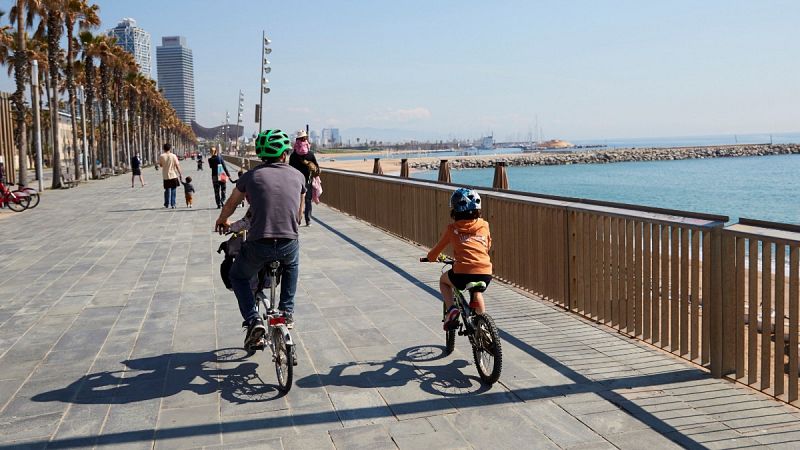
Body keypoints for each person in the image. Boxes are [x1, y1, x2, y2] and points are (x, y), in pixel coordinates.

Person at [215, 129, 306, 349]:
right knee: (292, 265)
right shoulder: (298, 176)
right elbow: (299, 216)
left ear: (261, 155)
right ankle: (287, 311)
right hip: (287, 241)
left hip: (258, 243)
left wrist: (222, 220)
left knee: (238, 276)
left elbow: (232, 203)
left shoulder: (251, 176)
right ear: (285, 154)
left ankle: (253, 319)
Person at [425, 188, 493, 330]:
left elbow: (436, 251)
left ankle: (451, 310)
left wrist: (430, 258)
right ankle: (484, 330)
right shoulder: (484, 225)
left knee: (444, 281)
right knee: (477, 292)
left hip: (462, 273)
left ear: (454, 211)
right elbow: (487, 245)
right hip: (485, 271)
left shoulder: (452, 229)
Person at [288, 130, 319, 226]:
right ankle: (308, 220)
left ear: (296, 140)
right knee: (308, 201)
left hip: (295, 181)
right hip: (307, 181)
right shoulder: (310, 154)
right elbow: (317, 167)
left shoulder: (293, 155)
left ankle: (298, 219)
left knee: (297, 201)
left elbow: (289, 169)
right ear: (306, 139)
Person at [158, 143, 183, 209]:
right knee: (173, 190)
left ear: (164, 148)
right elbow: (177, 165)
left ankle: (166, 204)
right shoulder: (174, 156)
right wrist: (180, 174)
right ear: (170, 148)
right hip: (173, 175)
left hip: (165, 176)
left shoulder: (161, 156)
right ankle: (173, 204)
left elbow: (160, 165)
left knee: (167, 190)